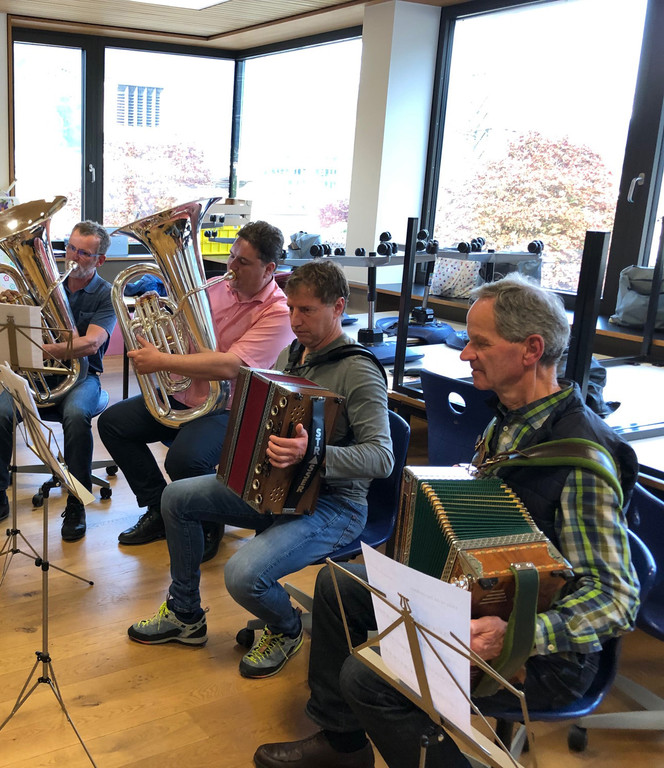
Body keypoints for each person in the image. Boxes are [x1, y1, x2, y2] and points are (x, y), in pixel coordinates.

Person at [253, 273, 641, 768]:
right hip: (478, 601)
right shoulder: (508, 422)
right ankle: (342, 745)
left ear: (531, 349)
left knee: (367, 678)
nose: (465, 354)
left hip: (545, 655)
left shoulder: (582, 460)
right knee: (338, 584)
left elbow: (616, 599)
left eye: (480, 343)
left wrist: (518, 634)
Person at [127, 259, 393, 679]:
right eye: (291, 308)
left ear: (339, 307)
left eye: (307, 310)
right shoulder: (294, 353)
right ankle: (185, 614)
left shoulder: (359, 371)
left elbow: (382, 457)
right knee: (175, 498)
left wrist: (313, 454)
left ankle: (286, 629)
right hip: (281, 486)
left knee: (242, 574)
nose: (295, 320)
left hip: (335, 506)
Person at [98, 220, 295, 560]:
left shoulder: (278, 313)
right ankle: (159, 509)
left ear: (269, 269)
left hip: (231, 409)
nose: (231, 267)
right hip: (185, 395)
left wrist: (161, 360)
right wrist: (158, 318)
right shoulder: (213, 288)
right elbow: (182, 333)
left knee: (185, 460)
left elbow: (231, 366)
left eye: (243, 262)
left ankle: (208, 522)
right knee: (113, 424)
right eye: (232, 256)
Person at [0, 221, 118, 541]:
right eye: (71, 248)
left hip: (82, 376)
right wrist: (8, 311)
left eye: (84, 253)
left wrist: (43, 349)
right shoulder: (43, 285)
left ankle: (77, 501)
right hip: (36, 376)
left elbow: (92, 343)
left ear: (100, 260)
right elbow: (16, 329)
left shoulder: (107, 294)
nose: (73, 257)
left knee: (76, 416)